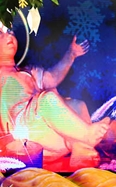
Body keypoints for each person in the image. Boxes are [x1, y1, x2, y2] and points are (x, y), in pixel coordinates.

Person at [0, 29, 110, 167]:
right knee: (48, 99)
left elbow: (52, 78)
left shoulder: (28, 72)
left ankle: (80, 146)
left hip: (47, 131)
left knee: (78, 104)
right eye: (0, 34)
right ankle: (87, 135)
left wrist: (71, 54)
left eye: (10, 32)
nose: (8, 36)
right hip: (25, 137)